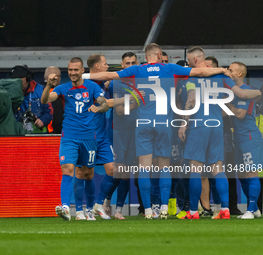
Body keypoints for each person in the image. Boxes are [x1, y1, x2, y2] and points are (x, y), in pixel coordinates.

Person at [83, 43, 233, 219]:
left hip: (144, 123)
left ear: (146, 57)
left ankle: (148, 210)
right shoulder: (170, 68)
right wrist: (222, 70)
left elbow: (109, 75)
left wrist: (84, 75)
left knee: (145, 169)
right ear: (160, 55)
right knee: (165, 168)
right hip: (165, 124)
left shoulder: (137, 70)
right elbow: (200, 72)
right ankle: (163, 207)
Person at [178, 46, 261, 220]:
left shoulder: (191, 76)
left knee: (195, 170)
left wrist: (184, 123)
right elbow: (240, 93)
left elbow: (191, 100)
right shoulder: (221, 76)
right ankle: (225, 209)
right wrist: (258, 92)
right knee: (218, 169)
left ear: (193, 60)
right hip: (216, 126)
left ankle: (193, 211)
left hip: (199, 125)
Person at [41, 57, 108, 221]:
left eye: (75, 70)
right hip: (69, 136)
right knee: (68, 169)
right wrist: (49, 86)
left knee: (88, 174)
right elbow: (45, 100)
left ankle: (89, 210)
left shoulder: (92, 87)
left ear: (82, 70)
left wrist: (98, 107)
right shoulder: (63, 88)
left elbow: (105, 104)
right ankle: (66, 208)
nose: (72, 73)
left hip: (89, 137)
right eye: (70, 70)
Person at [74, 54, 114, 220]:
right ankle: (79, 211)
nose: (107, 67)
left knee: (114, 170)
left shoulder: (102, 84)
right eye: (105, 64)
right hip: (86, 136)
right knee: (81, 173)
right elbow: (101, 104)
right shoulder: (85, 86)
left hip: (102, 136)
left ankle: (98, 204)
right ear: (97, 67)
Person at [102, 52, 140, 220]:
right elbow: (119, 110)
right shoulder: (117, 83)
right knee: (117, 170)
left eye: (133, 62)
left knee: (126, 173)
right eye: (127, 63)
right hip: (118, 131)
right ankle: (104, 200)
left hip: (136, 131)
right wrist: (137, 102)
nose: (130, 65)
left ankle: (118, 210)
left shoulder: (142, 82)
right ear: (122, 65)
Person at [227, 61, 262, 219]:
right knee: (241, 174)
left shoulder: (246, 90)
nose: (228, 72)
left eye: (231, 70)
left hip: (249, 136)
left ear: (240, 74)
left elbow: (240, 114)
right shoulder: (234, 92)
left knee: (250, 173)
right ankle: (254, 209)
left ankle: (251, 208)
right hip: (239, 137)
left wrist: (226, 102)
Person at [11, 65, 52, 134]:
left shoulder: (41, 90)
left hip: (39, 136)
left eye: (19, 79)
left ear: (28, 78)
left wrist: (42, 121)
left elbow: (49, 112)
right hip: (17, 136)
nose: (16, 82)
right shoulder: (9, 92)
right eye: (14, 79)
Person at [43, 66, 64, 134]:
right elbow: (58, 117)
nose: (58, 78)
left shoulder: (38, 90)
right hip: (53, 131)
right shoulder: (58, 93)